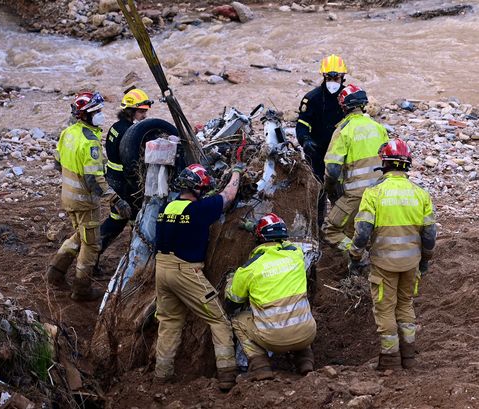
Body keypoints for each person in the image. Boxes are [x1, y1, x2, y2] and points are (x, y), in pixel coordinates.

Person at [154, 163, 244, 391]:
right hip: (185, 272)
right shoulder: (201, 210)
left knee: (169, 322)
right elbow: (229, 196)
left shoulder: (167, 208)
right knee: (219, 320)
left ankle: (162, 375)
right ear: (197, 189)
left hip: (161, 270)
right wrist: (237, 173)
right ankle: (227, 375)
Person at [349, 139, 436, 370]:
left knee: (385, 309)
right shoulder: (421, 195)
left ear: (384, 165)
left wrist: (355, 256)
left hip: (383, 263)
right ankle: (409, 357)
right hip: (411, 263)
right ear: (407, 165)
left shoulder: (374, 193)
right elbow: (429, 235)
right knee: (406, 305)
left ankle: (389, 360)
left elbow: (363, 232)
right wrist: (425, 260)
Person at [46, 91, 131, 301]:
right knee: (91, 244)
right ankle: (81, 289)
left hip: (68, 197)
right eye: (97, 111)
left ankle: (55, 274)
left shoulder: (69, 132)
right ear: (86, 115)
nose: (101, 114)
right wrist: (116, 199)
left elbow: (58, 162)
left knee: (80, 235)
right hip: (84, 202)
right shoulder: (90, 142)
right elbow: (94, 181)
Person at [225, 213, 316, 380]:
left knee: (238, 319)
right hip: (307, 333)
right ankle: (305, 362)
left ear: (260, 238)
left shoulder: (249, 268)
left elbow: (232, 303)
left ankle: (260, 367)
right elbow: (286, 244)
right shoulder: (296, 255)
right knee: (298, 315)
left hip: (274, 340)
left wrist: (231, 280)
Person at [321, 84, 389, 264]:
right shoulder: (378, 128)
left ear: (343, 106)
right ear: (364, 104)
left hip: (355, 194)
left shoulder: (343, 130)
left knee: (331, 230)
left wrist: (330, 190)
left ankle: (359, 258)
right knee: (367, 228)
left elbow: (333, 170)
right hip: (381, 192)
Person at [99, 88, 154, 252]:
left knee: (118, 218)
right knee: (126, 218)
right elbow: (132, 163)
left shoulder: (116, 127)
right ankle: (94, 253)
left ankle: (93, 255)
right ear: (131, 110)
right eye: (142, 111)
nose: (144, 115)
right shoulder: (129, 133)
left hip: (113, 178)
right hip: (124, 183)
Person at [296, 54, 348, 226]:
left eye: (336, 77)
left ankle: (340, 225)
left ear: (343, 77)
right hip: (317, 152)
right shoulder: (312, 98)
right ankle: (317, 224)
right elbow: (302, 124)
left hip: (342, 153)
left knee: (343, 192)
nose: (333, 81)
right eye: (329, 77)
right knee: (318, 191)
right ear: (323, 77)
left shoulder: (349, 98)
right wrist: (305, 140)